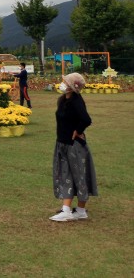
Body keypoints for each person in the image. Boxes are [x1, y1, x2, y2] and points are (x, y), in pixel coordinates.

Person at [50, 72, 97, 221]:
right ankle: (69, 209)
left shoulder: (77, 101)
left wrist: (78, 131)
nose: (62, 83)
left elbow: (86, 119)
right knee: (66, 175)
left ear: (72, 86)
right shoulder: (63, 100)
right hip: (62, 143)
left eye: (65, 81)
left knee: (78, 176)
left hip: (74, 145)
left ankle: (77, 210)